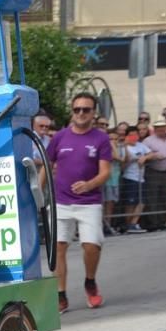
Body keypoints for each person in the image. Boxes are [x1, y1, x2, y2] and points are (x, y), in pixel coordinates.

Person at [42, 93, 112, 313]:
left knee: (91, 246)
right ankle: (60, 294)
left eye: (86, 110)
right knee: (59, 247)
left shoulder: (101, 139)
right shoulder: (59, 137)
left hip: (89, 202)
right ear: (72, 112)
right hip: (61, 202)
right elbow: (46, 165)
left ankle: (90, 281)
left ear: (93, 113)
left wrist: (89, 185)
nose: (81, 113)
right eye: (77, 109)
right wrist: (36, 191)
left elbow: (106, 172)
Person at [142, 118, 166, 231]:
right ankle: (154, 223)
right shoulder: (148, 141)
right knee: (153, 198)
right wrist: (153, 156)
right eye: (158, 127)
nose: (161, 129)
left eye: (163, 127)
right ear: (154, 129)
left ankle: (164, 221)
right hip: (154, 171)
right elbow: (143, 154)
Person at [119, 126, 150, 234]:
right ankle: (128, 224)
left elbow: (152, 154)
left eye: (135, 135)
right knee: (130, 203)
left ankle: (133, 223)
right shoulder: (123, 148)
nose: (134, 137)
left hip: (141, 178)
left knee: (142, 202)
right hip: (130, 177)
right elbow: (123, 164)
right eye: (131, 135)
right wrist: (126, 147)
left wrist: (145, 157)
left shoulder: (141, 145)